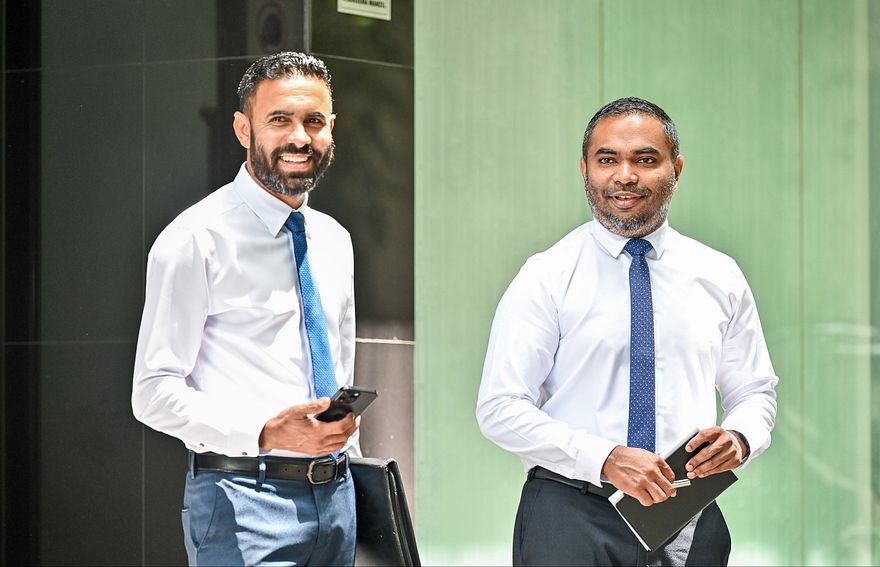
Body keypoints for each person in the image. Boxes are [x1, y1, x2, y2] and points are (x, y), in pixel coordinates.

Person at [476, 97, 778, 566]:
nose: (625, 175)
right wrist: (605, 458)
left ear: (676, 169)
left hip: (686, 513)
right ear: (585, 169)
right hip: (570, 515)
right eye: (607, 160)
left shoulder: (718, 275)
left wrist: (740, 437)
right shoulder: (547, 275)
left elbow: (755, 390)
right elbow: (499, 407)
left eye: (645, 159)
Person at [132, 52, 360, 566]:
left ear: (331, 128)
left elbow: (338, 368)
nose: (299, 137)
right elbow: (151, 393)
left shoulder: (335, 239)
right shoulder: (195, 239)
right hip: (243, 501)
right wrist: (265, 431)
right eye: (279, 119)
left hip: (338, 499)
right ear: (242, 129)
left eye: (314, 121)